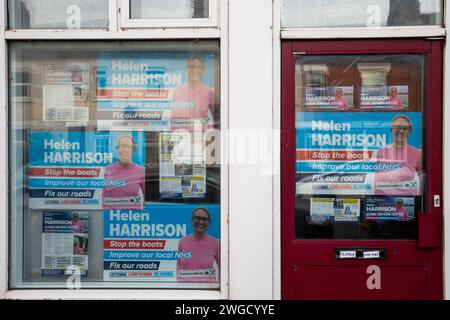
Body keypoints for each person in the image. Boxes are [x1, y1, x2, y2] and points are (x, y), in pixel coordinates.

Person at [374, 115, 422, 195]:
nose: (401, 131)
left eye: (405, 128)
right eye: (397, 128)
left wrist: (419, 201)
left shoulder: (417, 153)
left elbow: (422, 180)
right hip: (384, 202)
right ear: (392, 130)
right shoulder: (381, 151)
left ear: (409, 131)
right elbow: (377, 178)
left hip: (407, 202)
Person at [171, 56, 215, 131]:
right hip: (182, 137)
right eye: (191, 67)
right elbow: (173, 120)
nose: (195, 70)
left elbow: (215, 119)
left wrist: (202, 125)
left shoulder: (209, 92)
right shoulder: (177, 91)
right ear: (186, 69)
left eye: (199, 67)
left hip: (202, 136)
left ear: (203, 70)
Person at [176, 207, 220, 283]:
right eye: (198, 218)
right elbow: (179, 265)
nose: (201, 221)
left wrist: (218, 286)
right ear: (192, 220)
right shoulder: (183, 242)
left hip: (208, 290)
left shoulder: (215, 243)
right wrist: (179, 284)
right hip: (186, 289)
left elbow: (222, 268)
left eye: (204, 219)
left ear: (209, 222)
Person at [102, 136, 145, 210]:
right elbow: (104, 194)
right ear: (118, 149)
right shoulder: (108, 169)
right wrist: (106, 212)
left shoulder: (141, 171)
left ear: (133, 150)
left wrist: (142, 216)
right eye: (122, 146)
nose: (125, 150)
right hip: (112, 217)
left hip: (132, 217)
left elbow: (148, 199)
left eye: (128, 146)